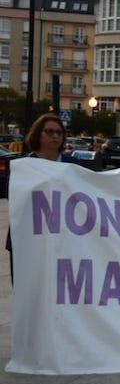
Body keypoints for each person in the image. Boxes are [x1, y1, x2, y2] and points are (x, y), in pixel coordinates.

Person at [6, 114, 77, 283]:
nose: (55, 136)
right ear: (38, 134)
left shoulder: (74, 165)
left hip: (64, 240)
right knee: (28, 290)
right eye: (50, 131)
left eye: (59, 133)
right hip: (27, 239)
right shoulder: (23, 166)